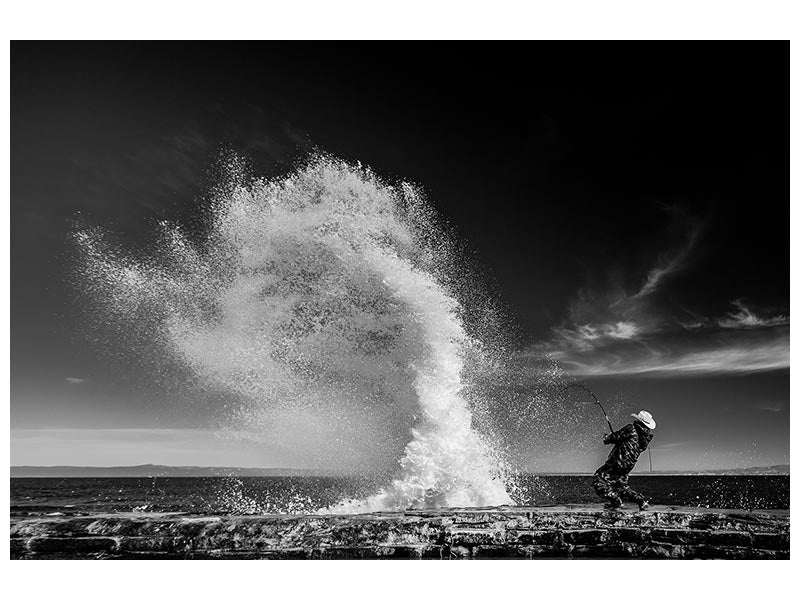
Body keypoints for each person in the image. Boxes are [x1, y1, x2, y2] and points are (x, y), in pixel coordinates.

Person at [592, 410, 655, 510]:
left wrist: (607, 438)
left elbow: (614, 437)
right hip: (627, 466)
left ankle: (616, 501)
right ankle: (641, 501)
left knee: (598, 480)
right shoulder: (645, 438)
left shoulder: (631, 429)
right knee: (620, 486)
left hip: (617, 462)